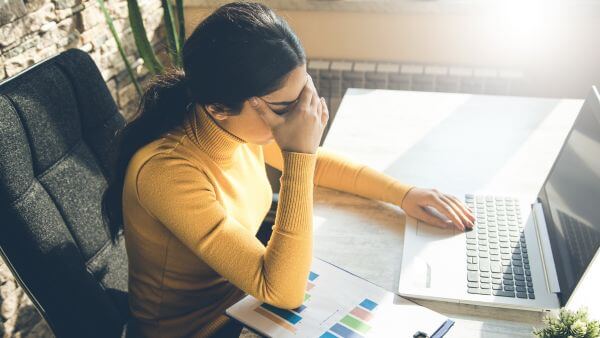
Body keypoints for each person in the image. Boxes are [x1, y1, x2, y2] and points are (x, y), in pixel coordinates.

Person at [101, 2, 475, 337]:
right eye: (284, 108)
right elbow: (283, 290)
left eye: (302, 98)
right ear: (217, 107)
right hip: (203, 328)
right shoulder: (167, 172)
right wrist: (298, 153)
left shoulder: (235, 127)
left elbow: (319, 165)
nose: (298, 117)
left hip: (247, 303)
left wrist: (403, 194)